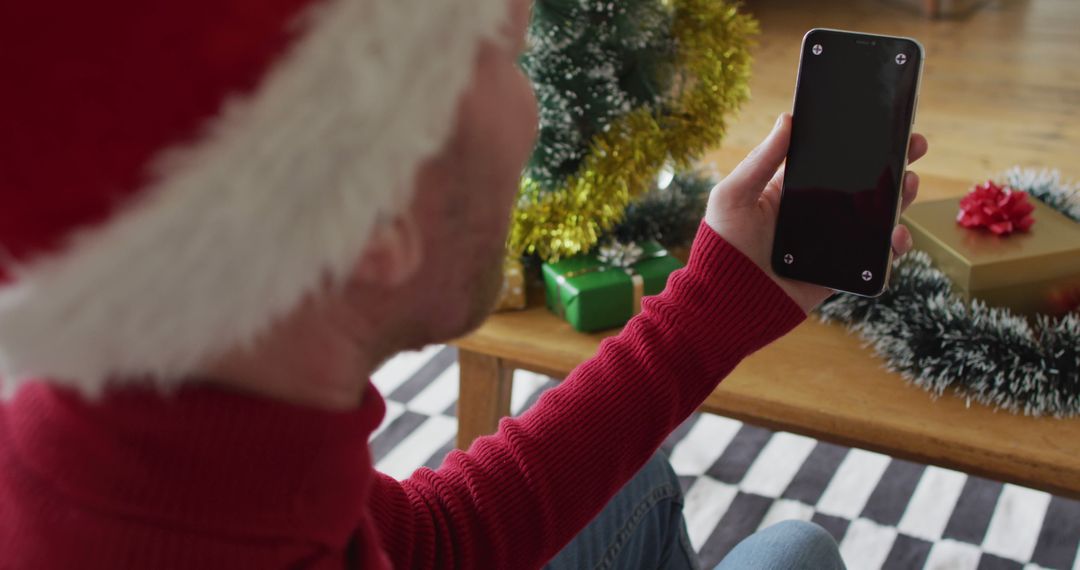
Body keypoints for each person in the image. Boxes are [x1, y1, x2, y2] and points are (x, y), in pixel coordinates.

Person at [0, 0, 926, 567]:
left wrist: (709, 309)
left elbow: (429, 547)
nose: (532, 121)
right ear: (374, 215)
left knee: (633, 480)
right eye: (508, 55)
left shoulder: (146, 415)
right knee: (796, 550)